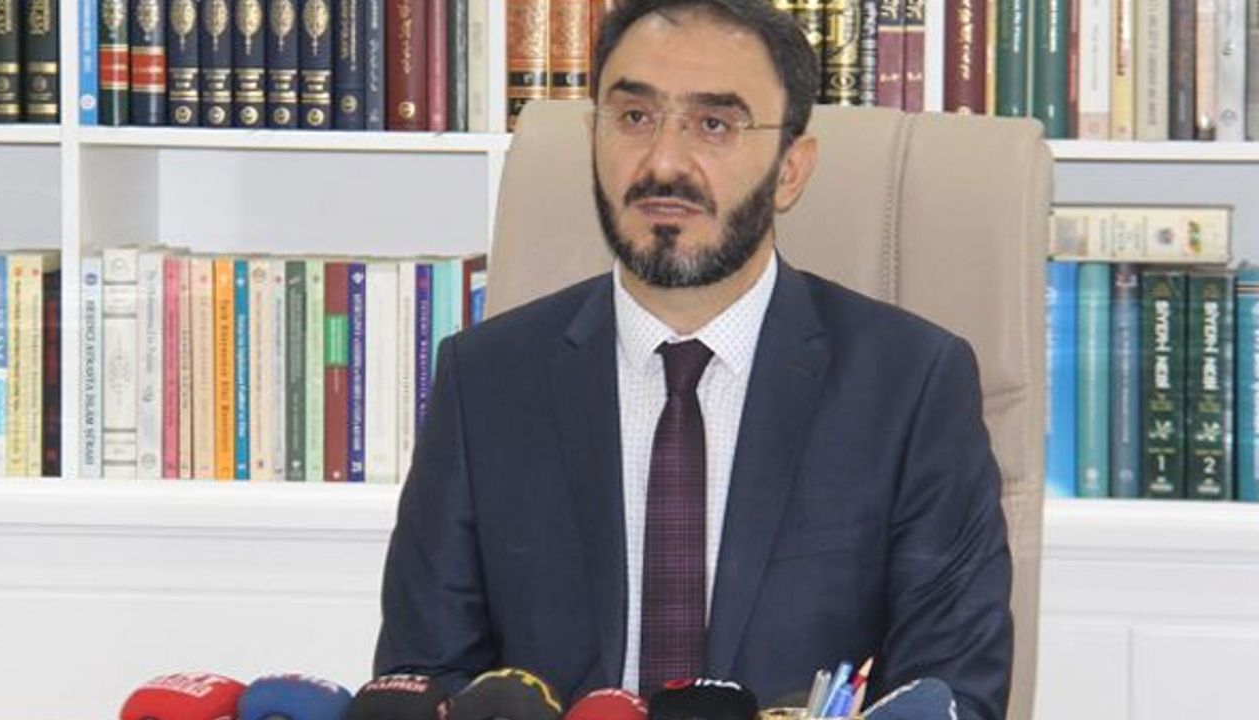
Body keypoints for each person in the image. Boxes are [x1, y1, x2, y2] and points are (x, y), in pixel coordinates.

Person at [374, 1, 1013, 718]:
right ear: (593, 139)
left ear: (791, 170)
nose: (664, 163)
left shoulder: (911, 387)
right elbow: (421, 683)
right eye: (634, 117)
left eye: (714, 124)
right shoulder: (485, 381)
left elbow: (950, 694)